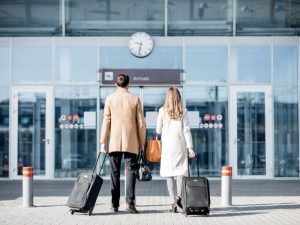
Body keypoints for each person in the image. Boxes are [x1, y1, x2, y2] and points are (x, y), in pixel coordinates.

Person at [100, 74, 146, 214]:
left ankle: (114, 205)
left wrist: (103, 141)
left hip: (114, 141)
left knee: (114, 174)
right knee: (131, 172)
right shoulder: (135, 99)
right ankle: (130, 204)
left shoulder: (110, 99)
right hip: (131, 141)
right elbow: (141, 123)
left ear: (116, 84)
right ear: (128, 84)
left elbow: (106, 121)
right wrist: (142, 142)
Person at [156, 86, 196, 213]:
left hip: (167, 147)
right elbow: (187, 130)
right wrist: (190, 147)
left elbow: (158, 130)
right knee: (181, 173)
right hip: (180, 145)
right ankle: (179, 197)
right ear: (178, 97)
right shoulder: (183, 111)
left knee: (169, 175)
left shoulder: (162, 111)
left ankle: (173, 202)